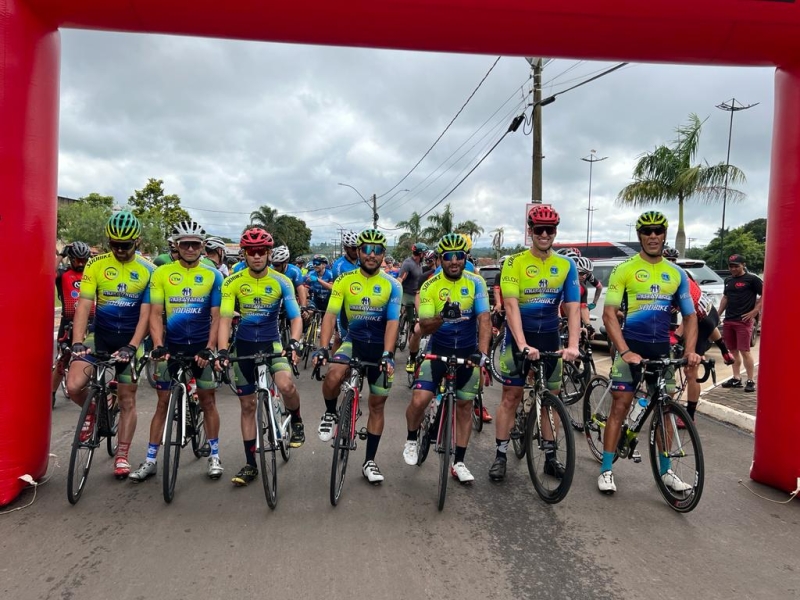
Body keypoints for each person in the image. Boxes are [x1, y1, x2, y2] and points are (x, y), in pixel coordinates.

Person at [598, 211, 700, 494]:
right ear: (640, 235)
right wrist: (625, 351)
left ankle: (666, 471)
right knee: (620, 406)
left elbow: (690, 316)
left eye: (658, 231)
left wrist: (691, 351)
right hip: (630, 349)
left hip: (661, 351)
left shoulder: (676, 273)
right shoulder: (625, 269)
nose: (653, 236)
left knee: (665, 410)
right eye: (647, 231)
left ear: (664, 235)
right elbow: (608, 314)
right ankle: (606, 469)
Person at [489, 205, 581, 482]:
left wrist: (573, 344)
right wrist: (522, 344)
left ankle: (550, 458)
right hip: (519, 338)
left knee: (552, 399)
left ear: (555, 232)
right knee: (511, 396)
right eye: (539, 229)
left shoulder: (566, 265)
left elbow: (573, 308)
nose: (544, 234)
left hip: (550, 337)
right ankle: (500, 455)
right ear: (530, 231)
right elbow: (511, 305)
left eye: (549, 229)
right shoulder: (514, 263)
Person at [129, 220, 225, 482]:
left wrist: (210, 348)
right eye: (185, 244)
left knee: (208, 401)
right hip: (171, 347)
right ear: (176, 245)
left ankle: (214, 455)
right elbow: (155, 314)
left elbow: (217, 316)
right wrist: (158, 345)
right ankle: (150, 460)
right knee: (162, 403)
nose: (190, 249)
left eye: (195, 244)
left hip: (201, 347)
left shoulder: (213, 275)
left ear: (202, 246)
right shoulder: (162, 273)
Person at [67, 211, 155, 479]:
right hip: (100, 335)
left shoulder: (149, 270)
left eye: (125, 245)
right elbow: (84, 305)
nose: (119, 249)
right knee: (73, 386)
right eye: (114, 244)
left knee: (127, 399)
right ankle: (96, 410)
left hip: (130, 338)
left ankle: (123, 455)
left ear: (137, 241)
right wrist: (77, 341)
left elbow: (147, 314)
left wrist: (133, 345)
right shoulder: (96, 264)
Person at [215, 229, 304, 486]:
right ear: (244, 254)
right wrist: (222, 350)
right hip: (243, 347)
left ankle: (297, 419)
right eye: (251, 252)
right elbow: (224, 319)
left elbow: (295, 317)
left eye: (261, 251)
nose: (256, 256)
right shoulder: (232, 281)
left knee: (286, 385)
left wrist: (294, 342)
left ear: (268, 253)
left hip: (272, 342)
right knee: (247, 406)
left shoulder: (281, 281)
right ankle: (250, 464)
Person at [313, 228, 402, 484]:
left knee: (377, 404)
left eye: (377, 250)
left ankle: (369, 461)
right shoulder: (344, 280)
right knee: (333, 375)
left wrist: (388, 354)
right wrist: (323, 347)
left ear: (383, 254)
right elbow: (330, 315)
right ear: (359, 252)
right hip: (354, 342)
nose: (371, 255)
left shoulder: (392, 285)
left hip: (380, 347)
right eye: (366, 249)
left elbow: (393, 322)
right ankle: (330, 412)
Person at [402, 234, 491, 483]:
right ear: (441, 259)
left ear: (465, 258)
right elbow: (424, 327)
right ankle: (411, 438)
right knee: (419, 400)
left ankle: (459, 461)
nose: (454, 261)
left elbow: (484, 319)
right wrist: (442, 316)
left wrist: (482, 354)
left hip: (467, 353)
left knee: (465, 407)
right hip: (438, 350)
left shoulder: (476, 283)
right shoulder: (431, 285)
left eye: (459, 256)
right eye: (448, 256)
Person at [662, 246, 734, 424]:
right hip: (710, 312)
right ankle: (725, 351)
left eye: (671, 260)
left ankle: (690, 416)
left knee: (690, 371)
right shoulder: (684, 273)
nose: (670, 263)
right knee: (707, 326)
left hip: (701, 320)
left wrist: (677, 337)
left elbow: (689, 317)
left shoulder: (669, 280)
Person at [53, 241, 94, 404]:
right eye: (78, 260)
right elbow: (48, 272)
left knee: (93, 356)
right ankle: (51, 392)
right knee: (63, 359)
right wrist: (61, 254)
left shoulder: (91, 274)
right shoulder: (63, 274)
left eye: (84, 260)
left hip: (91, 321)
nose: (81, 264)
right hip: (68, 322)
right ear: (71, 259)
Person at [718, 253, 763, 393]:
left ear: (743, 265)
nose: (733, 269)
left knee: (745, 351)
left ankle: (750, 380)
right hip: (729, 320)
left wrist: (755, 311)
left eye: (736, 266)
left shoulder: (752, 279)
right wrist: (717, 314)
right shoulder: (728, 280)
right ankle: (736, 378)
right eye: (731, 266)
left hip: (743, 321)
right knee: (732, 351)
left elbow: (764, 294)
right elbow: (725, 298)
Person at [398, 242, 428, 373]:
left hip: (417, 294)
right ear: (420, 254)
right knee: (411, 320)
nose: (425, 255)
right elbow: (401, 279)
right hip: (407, 295)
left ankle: (412, 340)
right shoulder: (408, 264)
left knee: (419, 318)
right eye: (424, 253)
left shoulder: (420, 264)